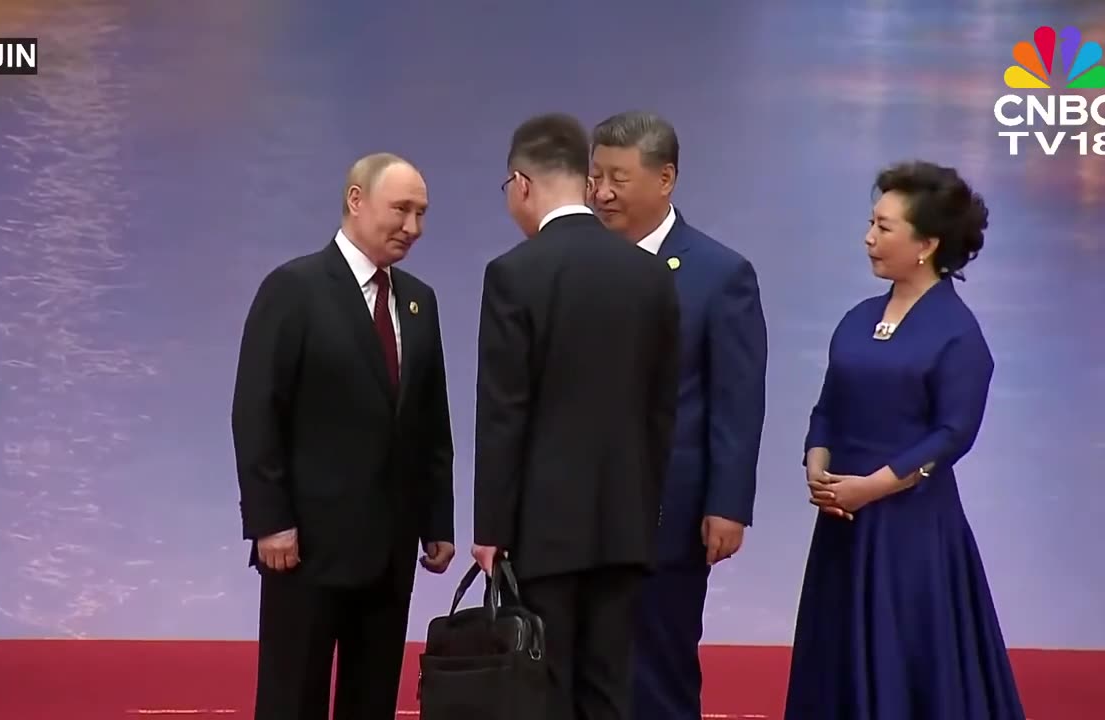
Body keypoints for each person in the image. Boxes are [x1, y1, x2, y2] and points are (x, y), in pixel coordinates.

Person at [788, 160, 1026, 719]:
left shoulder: (957, 333)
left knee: (906, 654)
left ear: (927, 244)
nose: (869, 238)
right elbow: (828, 406)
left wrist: (872, 487)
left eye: (884, 227)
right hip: (842, 520)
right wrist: (817, 465)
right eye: (871, 223)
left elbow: (951, 434)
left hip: (909, 527)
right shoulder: (857, 318)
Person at [230, 153, 456, 720]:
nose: (413, 227)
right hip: (306, 547)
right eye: (400, 209)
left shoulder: (419, 301)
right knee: (292, 698)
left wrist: (438, 520)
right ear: (356, 201)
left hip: (391, 548)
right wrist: (269, 520)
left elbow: (431, 420)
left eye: (422, 213)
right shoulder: (294, 288)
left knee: (372, 699)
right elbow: (257, 411)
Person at [471, 112, 681, 720]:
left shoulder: (514, 274)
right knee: (609, 688)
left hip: (543, 532)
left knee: (544, 688)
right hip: (625, 526)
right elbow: (660, 409)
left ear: (521, 183)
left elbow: (505, 411)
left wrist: (491, 528)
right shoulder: (649, 273)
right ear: (586, 183)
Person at [589, 111, 767, 720]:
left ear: (665, 179)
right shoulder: (574, 263)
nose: (602, 193)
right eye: (595, 177)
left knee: (657, 665)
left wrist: (728, 503)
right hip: (578, 511)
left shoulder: (720, 275)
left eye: (618, 178)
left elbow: (736, 401)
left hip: (670, 512)